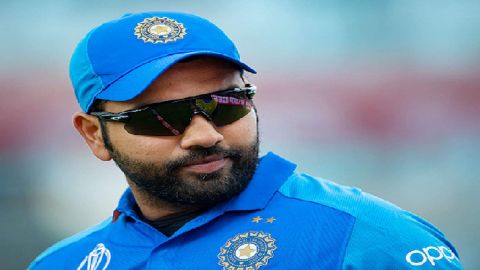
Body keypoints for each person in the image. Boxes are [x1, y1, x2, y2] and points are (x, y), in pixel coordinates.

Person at [29, 11, 463, 270]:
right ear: (94, 135)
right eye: (162, 117)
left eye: (226, 102)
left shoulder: (369, 239)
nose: (205, 134)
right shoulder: (61, 264)